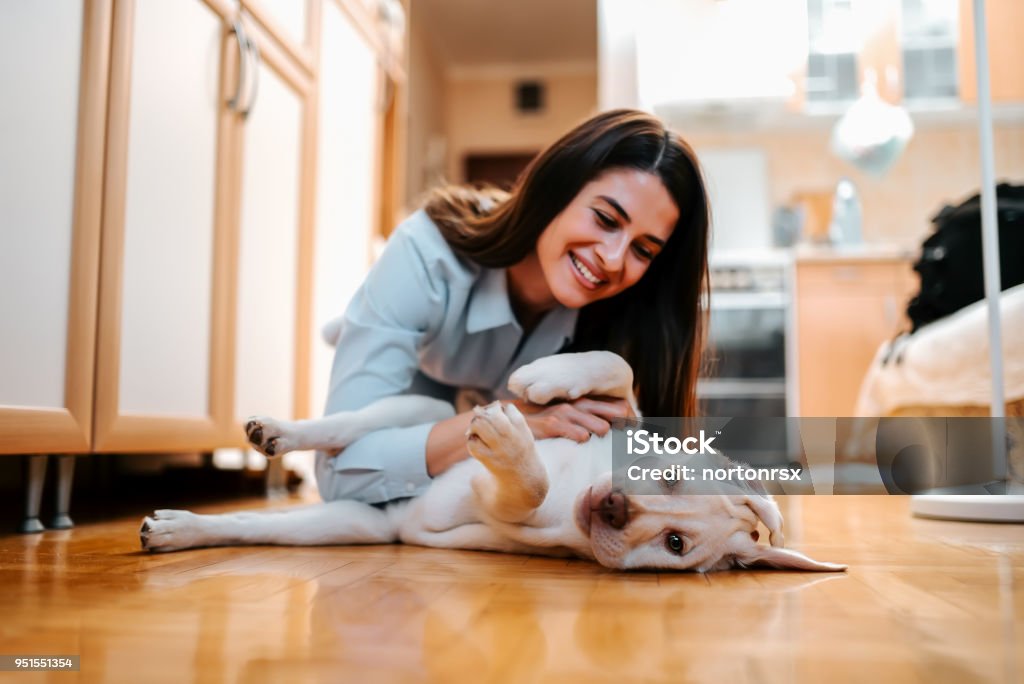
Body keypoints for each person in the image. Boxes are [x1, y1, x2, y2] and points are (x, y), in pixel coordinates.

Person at [316, 108, 711, 504]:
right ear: (558, 190)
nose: (612, 258)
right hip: (408, 376)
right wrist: (511, 421)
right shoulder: (425, 253)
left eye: (642, 250)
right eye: (606, 219)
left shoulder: (626, 317)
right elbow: (340, 476)